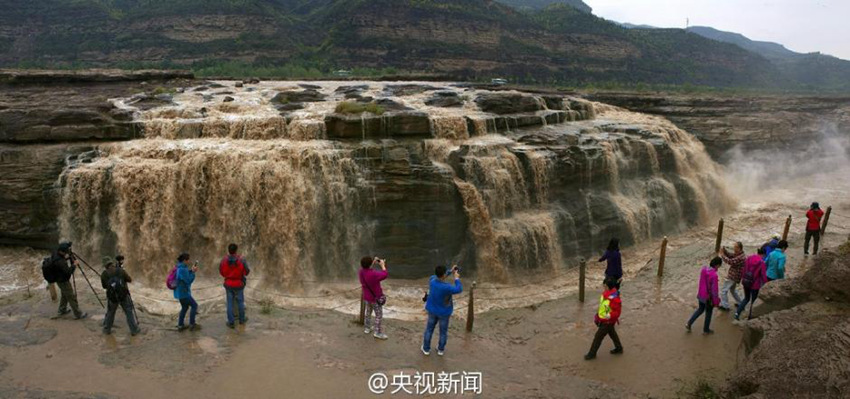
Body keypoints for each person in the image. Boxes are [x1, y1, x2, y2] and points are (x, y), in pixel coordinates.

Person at [421, 265, 462, 357]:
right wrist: (456, 278)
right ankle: (440, 350)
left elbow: (439, 277)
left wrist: (450, 271)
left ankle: (426, 349)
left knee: (429, 330)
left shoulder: (432, 280)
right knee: (443, 332)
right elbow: (459, 289)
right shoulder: (447, 287)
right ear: (443, 275)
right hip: (444, 312)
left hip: (432, 310)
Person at [45, 242, 87, 320]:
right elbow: (68, 271)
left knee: (65, 295)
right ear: (62, 251)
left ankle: (62, 310)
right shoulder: (60, 262)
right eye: (66, 251)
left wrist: (68, 257)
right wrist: (74, 264)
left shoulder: (56, 254)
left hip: (59, 279)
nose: (67, 253)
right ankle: (78, 314)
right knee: (71, 296)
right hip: (63, 281)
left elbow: (62, 259)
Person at [584, 278, 623, 360]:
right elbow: (604, 306)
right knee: (612, 333)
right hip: (605, 319)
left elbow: (617, 312)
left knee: (598, 337)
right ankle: (619, 348)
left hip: (608, 321)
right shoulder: (607, 293)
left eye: (604, 286)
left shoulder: (615, 298)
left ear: (608, 286)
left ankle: (592, 354)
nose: (603, 287)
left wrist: (609, 315)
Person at [100, 256, 140, 336]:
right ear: (111, 263)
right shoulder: (120, 270)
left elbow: (104, 286)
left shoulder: (104, 274)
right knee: (128, 312)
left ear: (105, 265)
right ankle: (134, 330)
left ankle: (107, 329)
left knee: (111, 312)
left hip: (112, 297)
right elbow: (129, 279)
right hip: (123, 295)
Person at [686, 257, 721, 335]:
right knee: (708, 313)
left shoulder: (703, 270)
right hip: (708, 298)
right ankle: (706, 330)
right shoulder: (714, 275)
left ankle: (689, 323)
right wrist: (716, 302)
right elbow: (714, 290)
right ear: (717, 265)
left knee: (700, 310)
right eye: (719, 266)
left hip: (701, 295)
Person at [219, 244, 250, 328]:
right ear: (236, 250)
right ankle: (241, 320)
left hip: (228, 284)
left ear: (228, 250)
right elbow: (247, 271)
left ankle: (231, 322)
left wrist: (227, 276)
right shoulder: (242, 260)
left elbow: (221, 271)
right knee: (240, 302)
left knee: (229, 303)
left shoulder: (223, 260)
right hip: (239, 284)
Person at [359, 256, 389, 340]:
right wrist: (382, 265)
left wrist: (372, 262)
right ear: (369, 264)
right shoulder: (374, 274)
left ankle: (367, 328)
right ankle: (377, 332)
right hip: (376, 298)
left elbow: (367, 269)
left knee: (368, 312)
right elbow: (385, 274)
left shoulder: (361, 272)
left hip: (367, 297)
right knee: (378, 315)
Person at [735, 248, 768, 320]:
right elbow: (763, 276)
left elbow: (743, 270)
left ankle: (737, 313)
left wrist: (743, 279)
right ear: (763, 254)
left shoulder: (749, 258)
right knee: (753, 302)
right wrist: (766, 284)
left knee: (746, 298)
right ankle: (750, 317)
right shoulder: (762, 263)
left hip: (746, 282)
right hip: (755, 285)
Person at [174, 253, 200, 331]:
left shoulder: (179, 267)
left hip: (180, 293)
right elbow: (188, 281)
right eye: (188, 260)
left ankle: (180, 325)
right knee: (194, 305)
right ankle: (192, 324)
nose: (189, 261)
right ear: (185, 260)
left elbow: (184, 276)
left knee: (185, 308)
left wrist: (191, 271)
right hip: (184, 293)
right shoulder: (182, 269)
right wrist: (193, 273)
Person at [718, 242, 745, 311]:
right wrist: (725, 251)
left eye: (735, 247)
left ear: (739, 248)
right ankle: (740, 303)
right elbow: (731, 255)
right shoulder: (740, 254)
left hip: (733, 276)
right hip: (735, 276)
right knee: (733, 290)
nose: (734, 248)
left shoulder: (740, 257)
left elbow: (730, 261)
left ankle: (725, 306)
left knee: (724, 291)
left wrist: (722, 254)